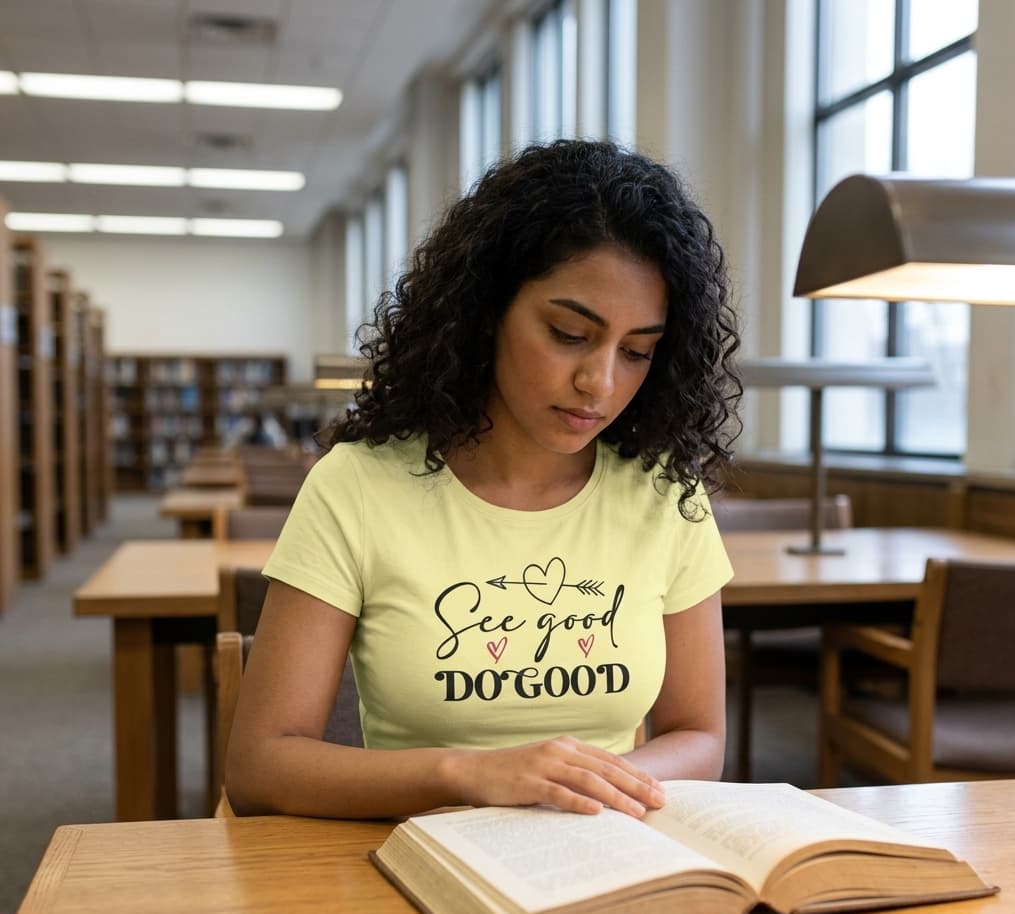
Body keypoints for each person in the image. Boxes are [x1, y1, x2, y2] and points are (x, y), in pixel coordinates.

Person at [225, 139, 742, 820]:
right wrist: (470, 774)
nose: (601, 381)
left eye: (638, 351)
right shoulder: (357, 487)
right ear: (485, 312)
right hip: (413, 863)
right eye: (567, 334)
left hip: (604, 851)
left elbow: (699, 734)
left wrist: (590, 785)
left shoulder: (664, 497)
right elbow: (261, 763)